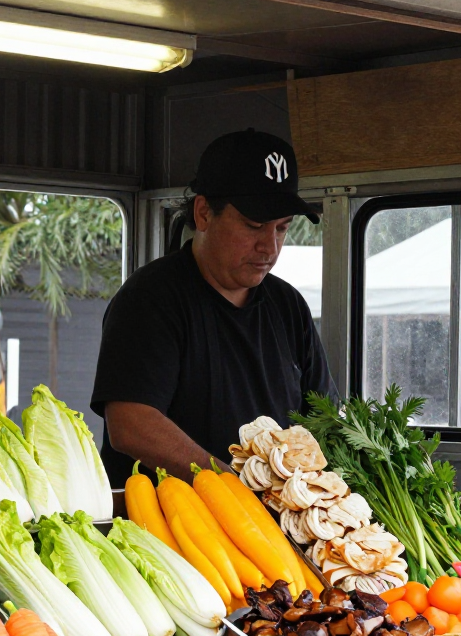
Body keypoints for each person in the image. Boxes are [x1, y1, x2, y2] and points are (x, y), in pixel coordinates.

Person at [92, 128, 337, 486]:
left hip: (270, 526)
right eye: (254, 226)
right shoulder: (150, 299)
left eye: (282, 228)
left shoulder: (288, 307)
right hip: (165, 526)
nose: (269, 247)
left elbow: (324, 418)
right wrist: (235, 491)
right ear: (204, 213)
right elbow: (131, 424)